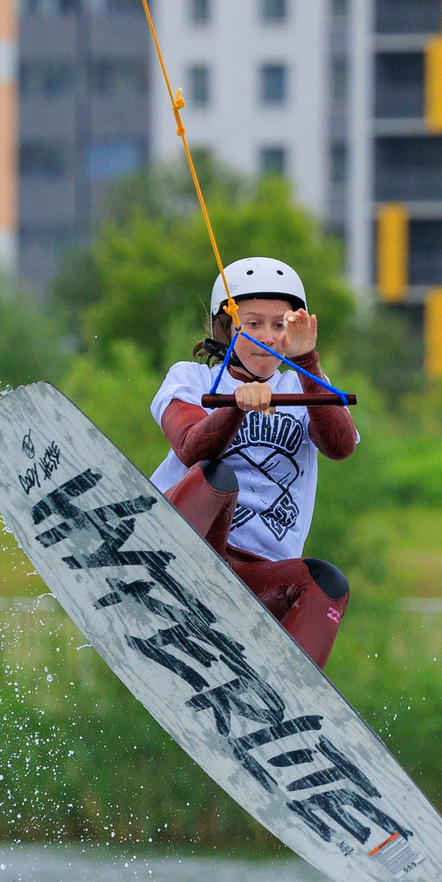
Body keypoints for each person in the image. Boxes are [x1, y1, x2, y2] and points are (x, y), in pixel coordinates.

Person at [146, 257, 359, 668]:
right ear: (227, 328)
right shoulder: (190, 378)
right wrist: (235, 409)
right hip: (189, 544)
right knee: (217, 477)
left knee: (328, 583)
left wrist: (309, 362)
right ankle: (155, 573)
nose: (267, 336)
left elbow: (340, 445)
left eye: (280, 325)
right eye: (253, 323)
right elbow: (191, 447)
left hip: (252, 580)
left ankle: (289, 691)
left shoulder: (304, 385)